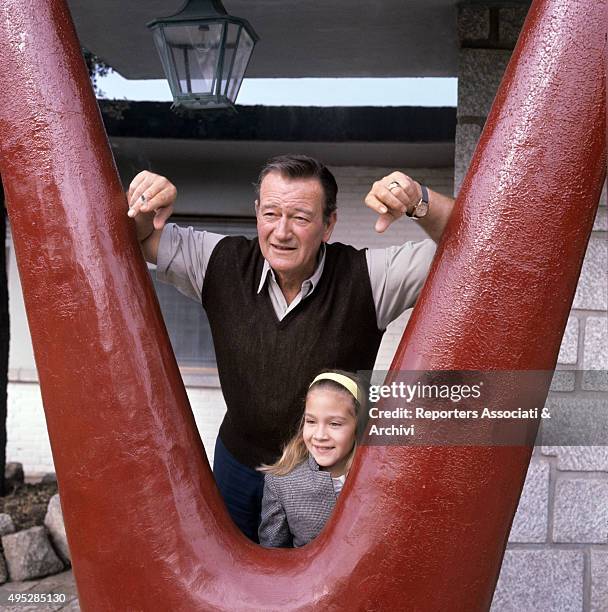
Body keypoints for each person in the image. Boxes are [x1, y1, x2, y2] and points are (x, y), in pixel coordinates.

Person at [126, 154, 454, 542]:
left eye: (300, 217)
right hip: (238, 465)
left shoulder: (370, 278)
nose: (281, 232)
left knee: (314, 596)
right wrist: (144, 209)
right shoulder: (218, 260)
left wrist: (420, 202)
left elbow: (482, 242)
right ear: (256, 213)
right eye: (270, 214)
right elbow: (132, 239)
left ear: (328, 224)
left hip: (321, 479)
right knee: (231, 584)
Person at [257, 370, 367, 548]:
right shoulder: (281, 482)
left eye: (335, 424)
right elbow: (273, 556)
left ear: (359, 426)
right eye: (311, 421)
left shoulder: (376, 477)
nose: (320, 435)